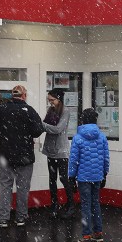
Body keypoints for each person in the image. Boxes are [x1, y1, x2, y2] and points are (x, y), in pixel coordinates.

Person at [0, 85, 45, 227]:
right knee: (22, 187)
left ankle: (2, 218)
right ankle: (21, 217)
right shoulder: (29, 110)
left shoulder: (1, 109)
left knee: (5, 186)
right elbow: (38, 130)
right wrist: (27, 134)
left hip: (6, 156)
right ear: (24, 95)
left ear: (12, 95)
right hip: (25, 156)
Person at [68, 108, 109, 242]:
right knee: (95, 203)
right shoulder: (102, 137)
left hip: (83, 177)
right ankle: (98, 233)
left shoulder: (77, 138)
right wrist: (104, 173)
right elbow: (105, 158)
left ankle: (86, 235)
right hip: (97, 176)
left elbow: (74, 159)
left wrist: (71, 177)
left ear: (82, 120)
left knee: (86, 204)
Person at [41, 88, 76, 218]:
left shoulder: (65, 111)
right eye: (49, 100)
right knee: (52, 179)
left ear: (59, 99)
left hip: (61, 151)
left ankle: (71, 205)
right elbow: (47, 126)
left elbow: (58, 129)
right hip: (50, 150)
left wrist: (42, 125)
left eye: (52, 100)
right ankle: (54, 204)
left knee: (63, 178)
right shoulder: (51, 110)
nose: (50, 103)